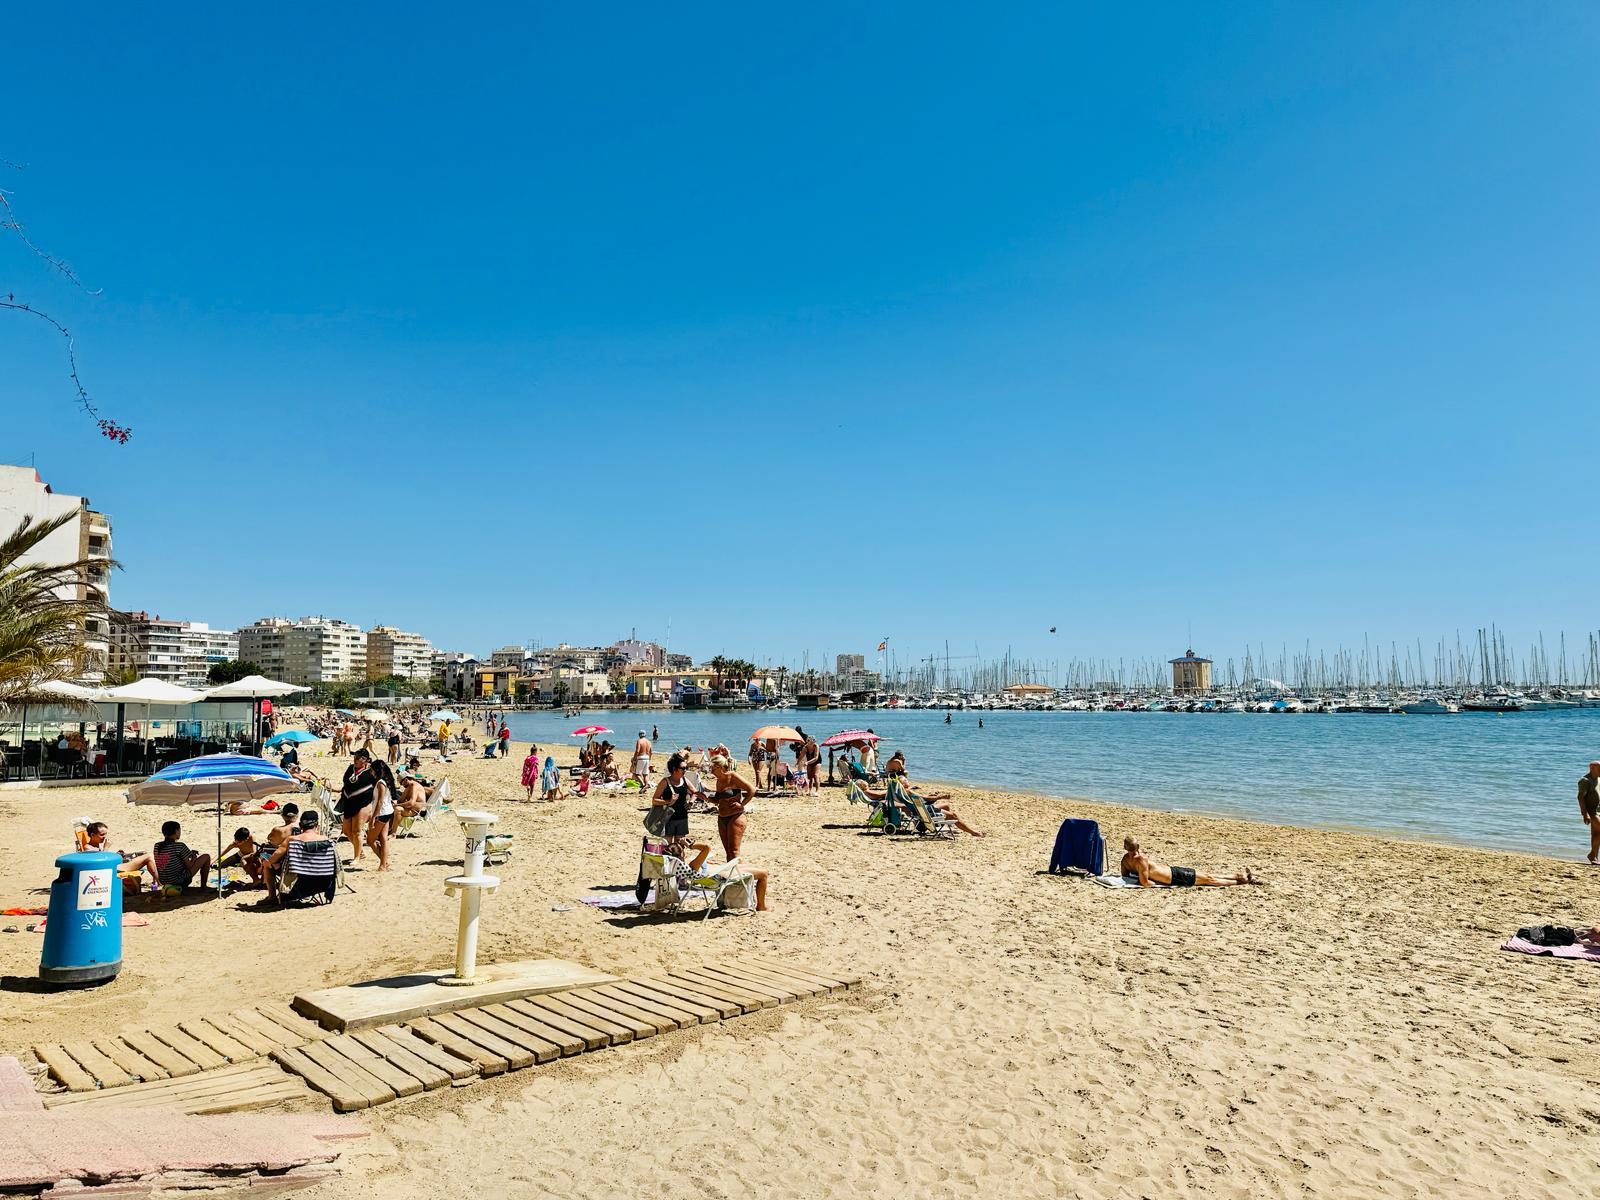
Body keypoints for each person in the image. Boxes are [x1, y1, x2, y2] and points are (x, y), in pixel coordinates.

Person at [648, 753, 711, 869]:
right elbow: (654, 800)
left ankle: (680, 873)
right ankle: (667, 872)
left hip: (682, 818)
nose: (685, 770)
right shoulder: (665, 782)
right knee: (668, 847)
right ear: (674, 769)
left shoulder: (685, 780)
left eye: (686, 768)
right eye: (683, 768)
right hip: (668, 819)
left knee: (680, 847)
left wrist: (691, 802)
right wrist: (668, 801)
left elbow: (695, 792)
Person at [1119, 837, 1257, 887]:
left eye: (1136, 850)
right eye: (1133, 850)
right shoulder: (1141, 859)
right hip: (1174, 877)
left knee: (1207, 876)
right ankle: (1242, 881)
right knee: (1209, 880)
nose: (1136, 853)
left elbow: (1125, 876)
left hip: (1172, 872)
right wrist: (1159, 883)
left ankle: (1237, 876)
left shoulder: (1125, 860)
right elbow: (1145, 882)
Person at [337, 748, 380, 866]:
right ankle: (360, 851)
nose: (355, 760)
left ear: (365, 760)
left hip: (364, 803)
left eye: (358, 758)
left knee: (357, 831)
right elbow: (346, 782)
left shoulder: (371, 771)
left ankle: (356, 857)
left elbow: (379, 785)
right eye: (354, 757)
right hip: (349, 802)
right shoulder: (350, 769)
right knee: (346, 830)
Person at [708, 753, 756, 860]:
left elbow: (752, 790)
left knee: (734, 852)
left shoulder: (732, 776)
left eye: (712, 767)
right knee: (728, 853)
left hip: (735, 817)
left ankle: (740, 875)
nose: (710, 770)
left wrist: (742, 804)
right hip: (722, 817)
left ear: (719, 767)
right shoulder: (718, 781)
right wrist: (703, 796)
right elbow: (718, 800)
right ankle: (732, 875)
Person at [82, 821, 157, 885]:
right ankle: (161, 883)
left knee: (146, 855)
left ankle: (158, 882)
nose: (105, 837)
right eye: (102, 835)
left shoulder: (96, 845)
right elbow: (100, 865)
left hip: (115, 866)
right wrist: (106, 848)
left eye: (105, 834)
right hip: (112, 869)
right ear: (92, 835)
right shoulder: (88, 848)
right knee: (149, 857)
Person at [153, 820, 212, 891]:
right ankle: (203, 886)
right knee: (206, 857)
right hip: (179, 881)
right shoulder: (180, 846)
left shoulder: (157, 846)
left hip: (164, 881)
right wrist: (193, 856)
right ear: (176, 831)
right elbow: (189, 865)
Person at [1580, 761, 1600, 864]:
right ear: (1592, 768)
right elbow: (1580, 797)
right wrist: (1585, 814)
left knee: (1596, 833)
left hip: (1599, 810)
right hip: (1592, 812)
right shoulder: (1585, 780)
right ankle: (1592, 855)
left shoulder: (1599, 779)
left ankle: (1594, 857)